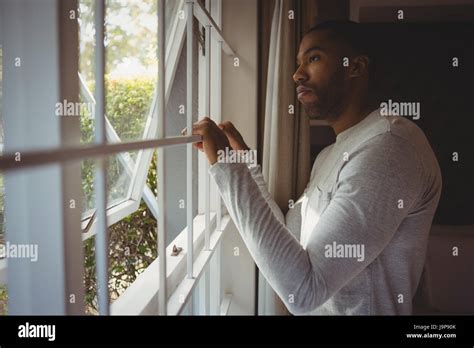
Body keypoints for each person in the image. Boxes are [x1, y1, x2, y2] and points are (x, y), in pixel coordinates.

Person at [189, 20, 442, 315]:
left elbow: (303, 291)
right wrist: (242, 165)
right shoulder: (330, 155)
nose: (297, 74)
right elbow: (290, 241)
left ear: (355, 66)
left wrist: (225, 167)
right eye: (298, 63)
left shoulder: (390, 145)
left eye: (314, 58)